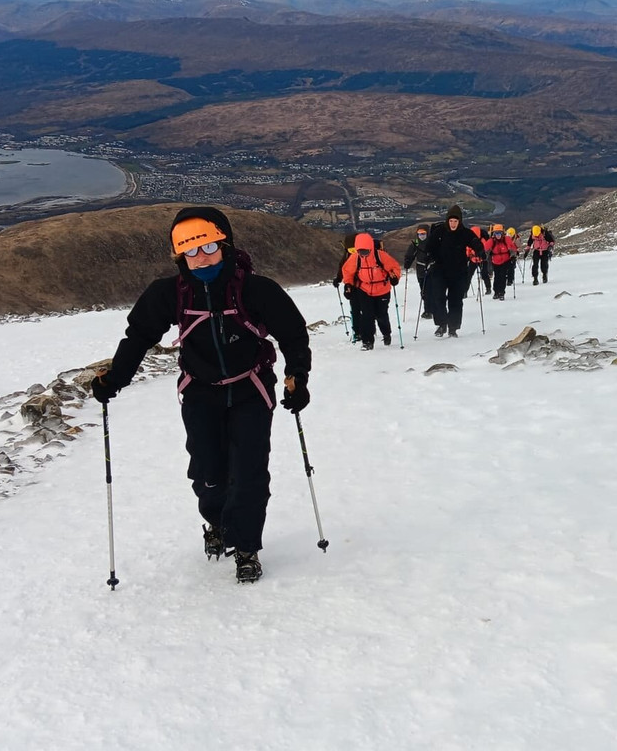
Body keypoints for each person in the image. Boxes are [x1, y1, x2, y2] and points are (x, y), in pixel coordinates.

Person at [90, 206, 312, 584]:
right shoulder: (170, 294)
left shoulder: (255, 290)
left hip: (251, 388)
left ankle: (245, 546)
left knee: (249, 473)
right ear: (179, 256)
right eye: (191, 252)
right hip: (199, 393)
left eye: (208, 247)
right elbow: (139, 336)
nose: (201, 258)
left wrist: (298, 376)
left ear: (224, 244)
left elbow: (292, 333)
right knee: (208, 472)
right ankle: (217, 524)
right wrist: (115, 379)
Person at [424, 204, 486, 338]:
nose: (453, 224)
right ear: (447, 220)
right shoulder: (439, 231)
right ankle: (442, 324)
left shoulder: (465, 233)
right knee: (438, 297)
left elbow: (476, 242)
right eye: (451, 221)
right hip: (440, 270)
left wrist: (480, 251)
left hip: (458, 272)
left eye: (455, 221)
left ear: (460, 221)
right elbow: (429, 246)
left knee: (456, 300)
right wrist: (429, 258)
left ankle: (453, 328)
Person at [340, 232, 402, 350]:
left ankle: (386, 333)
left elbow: (394, 267)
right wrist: (348, 285)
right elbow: (347, 271)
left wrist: (394, 277)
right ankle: (367, 342)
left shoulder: (381, 256)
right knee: (367, 316)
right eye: (360, 252)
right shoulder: (355, 258)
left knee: (381, 314)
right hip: (364, 289)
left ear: (370, 248)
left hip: (382, 289)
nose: (363, 255)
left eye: (365, 252)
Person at [332, 232, 360, 340]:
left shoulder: (348, 256)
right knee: (356, 309)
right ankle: (358, 332)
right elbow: (342, 270)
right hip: (351, 286)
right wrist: (338, 279)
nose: (353, 252)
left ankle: (363, 331)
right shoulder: (346, 257)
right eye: (351, 250)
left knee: (360, 310)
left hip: (362, 286)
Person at [403, 224, 433, 319]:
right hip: (420, 269)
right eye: (419, 234)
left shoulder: (433, 242)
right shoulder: (415, 243)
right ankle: (428, 310)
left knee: (432, 290)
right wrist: (407, 262)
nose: (421, 236)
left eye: (423, 233)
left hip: (432, 269)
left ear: (427, 233)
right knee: (424, 290)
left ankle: (431, 310)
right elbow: (410, 254)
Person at [487, 223, 518, 300]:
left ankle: (501, 293)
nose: (498, 235)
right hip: (496, 262)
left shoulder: (506, 239)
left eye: (499, 233)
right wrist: (482, 255)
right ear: (493, 233)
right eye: (496, 233)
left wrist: (513, 256)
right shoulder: (491, 241)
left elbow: (512, 248)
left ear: (502, 233)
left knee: (503, 277)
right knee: (497, 277)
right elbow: (485, 248)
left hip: (505, 261)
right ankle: (496, 292)